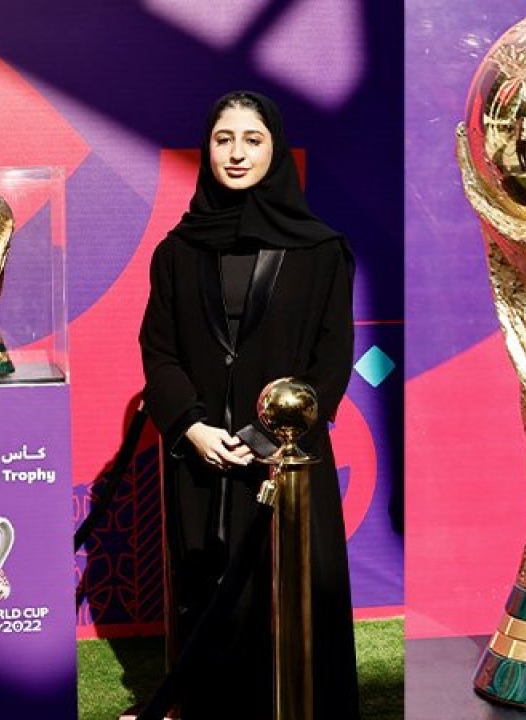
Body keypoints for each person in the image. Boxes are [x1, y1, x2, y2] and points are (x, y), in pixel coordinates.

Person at [139, 91, 359, 719]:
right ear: (207, 150)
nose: (236, 154)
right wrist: (193, 427)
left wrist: (267, 438)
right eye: (223, 139)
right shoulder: (177, 251)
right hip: (203, 463)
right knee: (209, 599)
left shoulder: (321, 251)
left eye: (252, 140)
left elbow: (330, 362)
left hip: (287, 465)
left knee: (290, 603)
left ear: (275, 149)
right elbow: (159, 352)